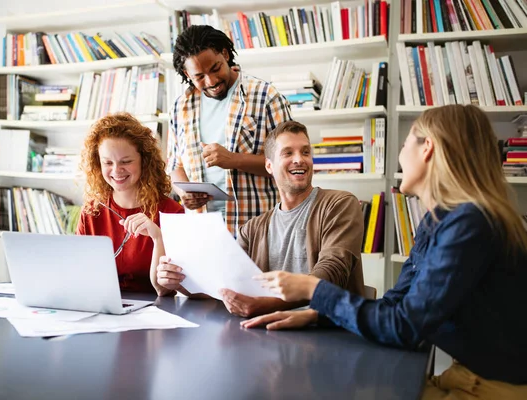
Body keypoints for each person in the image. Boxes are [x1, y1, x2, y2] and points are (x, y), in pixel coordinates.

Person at [243, 105, 527, 399]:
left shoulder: (470, 224)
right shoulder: (436, 221)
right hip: (460, 375)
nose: (401, 155)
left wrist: (313, 289)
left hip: (491, 388)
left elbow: (404, 326)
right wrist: (318, 316)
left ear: (426, 148)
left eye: (405, 144)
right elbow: (396, 303)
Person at [158, 121, 366, 317]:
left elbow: (332, 274)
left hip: (329, 332)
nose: (299, 159)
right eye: (288, 153)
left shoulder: (340, 204)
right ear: (269, 166)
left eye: (305, 152)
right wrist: (179, 280)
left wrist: (265, 305)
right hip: (267, 336)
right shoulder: (253, 229)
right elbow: (223, 283)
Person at [167, 25, 292, 236]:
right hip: (203, 231)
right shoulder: (180, 107)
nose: (211, 81)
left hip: (257, 229)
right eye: (199, 77)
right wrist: (184, 192)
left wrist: (233, 159)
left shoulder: (266, 97)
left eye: (216, 69)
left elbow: (288, 164)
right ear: (187, 74)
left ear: (225, 54)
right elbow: (174, 166)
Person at [77, 113, 184, 296]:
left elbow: (165, 290)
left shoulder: (172, 212)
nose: (117, 170)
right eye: (107, 162)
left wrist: (158, 238)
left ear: (144, 161)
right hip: (102, 309)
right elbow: (80, 275)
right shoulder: (91, 212)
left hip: (156, 313)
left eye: (126, 162)